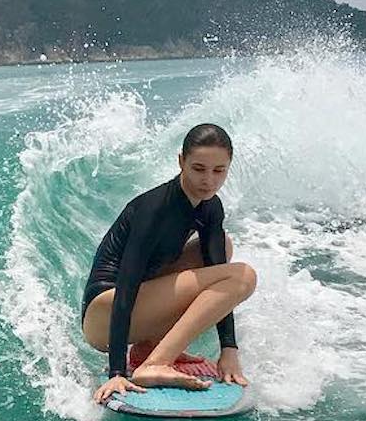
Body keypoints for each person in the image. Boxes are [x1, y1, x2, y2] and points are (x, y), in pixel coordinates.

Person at [81, 123, 257, 405]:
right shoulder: (154, 208)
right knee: (243, 276)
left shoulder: (210, 207)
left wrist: (229, 349)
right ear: (181, 162)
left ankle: (147, 349)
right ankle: (155, 363)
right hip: (104, 312)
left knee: (222, 247)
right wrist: (116, 371)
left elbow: (217, 271)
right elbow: (126, 287)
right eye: (198, 169)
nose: (209, 181)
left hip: (138, 306)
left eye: (218, 171)